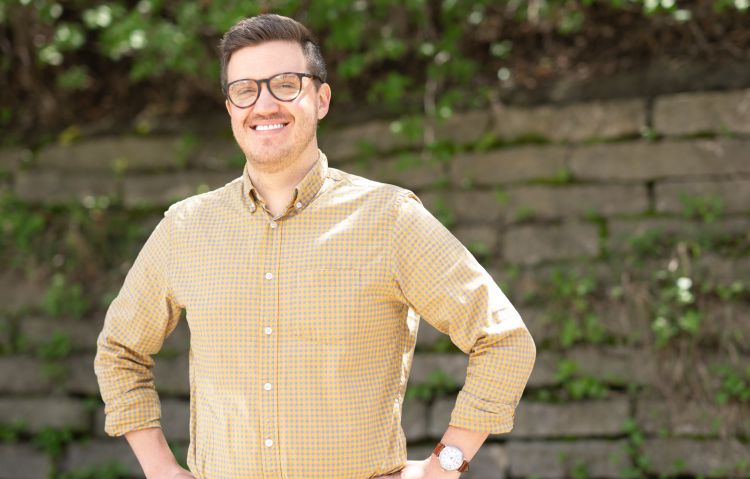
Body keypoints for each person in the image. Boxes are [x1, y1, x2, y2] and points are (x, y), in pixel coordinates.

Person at [94, 13, 536, 479]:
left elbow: (503, 341)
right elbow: (120, 350)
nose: (264, 104)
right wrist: (160, 468)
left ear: (320, 99)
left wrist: (445, 466)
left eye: (285, 84)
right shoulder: (185, 228)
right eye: (245, 89)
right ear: (230, 109)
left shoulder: (388, 219)